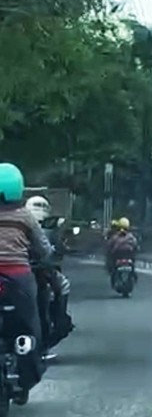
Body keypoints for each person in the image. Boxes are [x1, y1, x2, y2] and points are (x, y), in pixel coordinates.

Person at [0, 163, 52, 395]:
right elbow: (44, 250)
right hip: (19, 276)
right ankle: (32, 358)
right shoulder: (25, 217)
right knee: (31, 322)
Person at [24, 197, 74, 349]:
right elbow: (48, 250)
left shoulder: (23, 220)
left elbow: (56, 247)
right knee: (63, 286)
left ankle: (58, 320)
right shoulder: (26, 222)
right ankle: (59, 319)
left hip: (22, 270)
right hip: (28, 270)